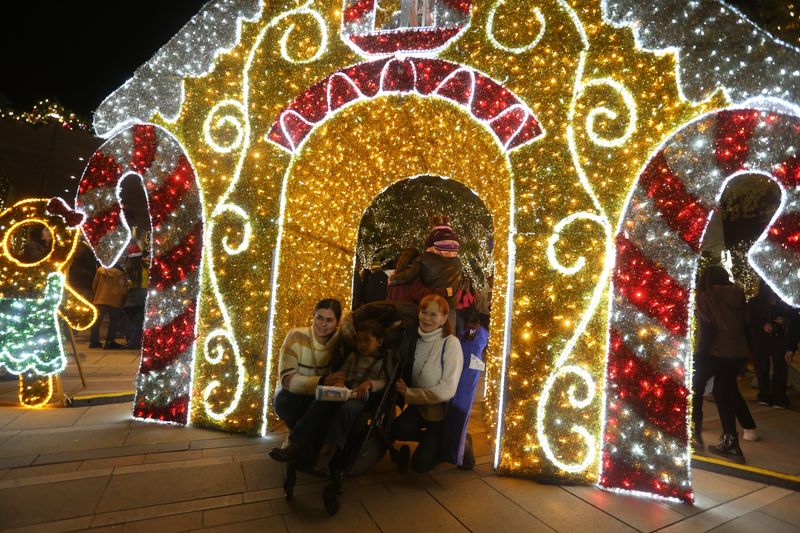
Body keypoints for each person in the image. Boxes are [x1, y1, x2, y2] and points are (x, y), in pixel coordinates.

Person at [271, 320, 387, 474]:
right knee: (321, 401)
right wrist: (340, 381)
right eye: (359, 341)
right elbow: (342, 372)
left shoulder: (383, 361)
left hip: (362, 397)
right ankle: (296, 444)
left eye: (367, 341)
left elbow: (384, 381)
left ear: (379, 342)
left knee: (347, 410)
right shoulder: (353, 356)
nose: (362, 345)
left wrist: (370, 384)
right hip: (346, 391)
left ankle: (326, 455)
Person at [391, 294, 464, 473]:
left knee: (420, 465)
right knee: (398, 430)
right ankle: (432, 441)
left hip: (439, 414)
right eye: (424, 312)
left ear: (444, 319)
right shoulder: (412, 340)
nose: (427, 318)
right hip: (418, 407)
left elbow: (448, 389)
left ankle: (460, 442)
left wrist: (410, 394)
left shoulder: (450, 343)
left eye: (433, 315)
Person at [695, 265, 756, 463]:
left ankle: (694, 434)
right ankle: (731, 444)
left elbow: (708, 330)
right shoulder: (739, 296)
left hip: (716, 352)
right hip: (737, 353)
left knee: (695, 386)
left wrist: (699, 356)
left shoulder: (706, 296)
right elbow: (746, 326)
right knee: (723, 392)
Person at [272, 299, 343, 430]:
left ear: (337, 322)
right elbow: (287, 380)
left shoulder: (340, 341)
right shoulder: (296, 335)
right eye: (319, 318)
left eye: (329, 320)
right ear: (313, 316)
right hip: (291, 395)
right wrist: (321, 381)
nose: (323, 324)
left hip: (321, 395)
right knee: (288, 403)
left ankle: (296, 438)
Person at [749, 279, 792, 409]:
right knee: (762, 366)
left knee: (780, 366)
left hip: (779, 337)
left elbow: (792, 317)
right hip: (761, 339)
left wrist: (783, 321)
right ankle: (765, 396)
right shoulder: (755, 302)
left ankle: (777, 397)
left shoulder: (783, 300)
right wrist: (762, 326)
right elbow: (750, 321)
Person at [88, 262, 128, 349]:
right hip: (115, 300)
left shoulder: (100, 270)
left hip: (100, 298)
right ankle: (110, 341)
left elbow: (94, 285)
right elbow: (124, 287)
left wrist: (96, 294)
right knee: (114, 322)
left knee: (97, 321)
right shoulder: (121, 273)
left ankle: (94, 341)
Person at [122, 243, 147, 350]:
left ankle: (133, 341)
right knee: (139, 320)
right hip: (144, 294)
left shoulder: (129, 268)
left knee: (132, 320)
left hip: (133, 295)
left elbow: (126, 283)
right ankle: (136, 341)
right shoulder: (146, 266)